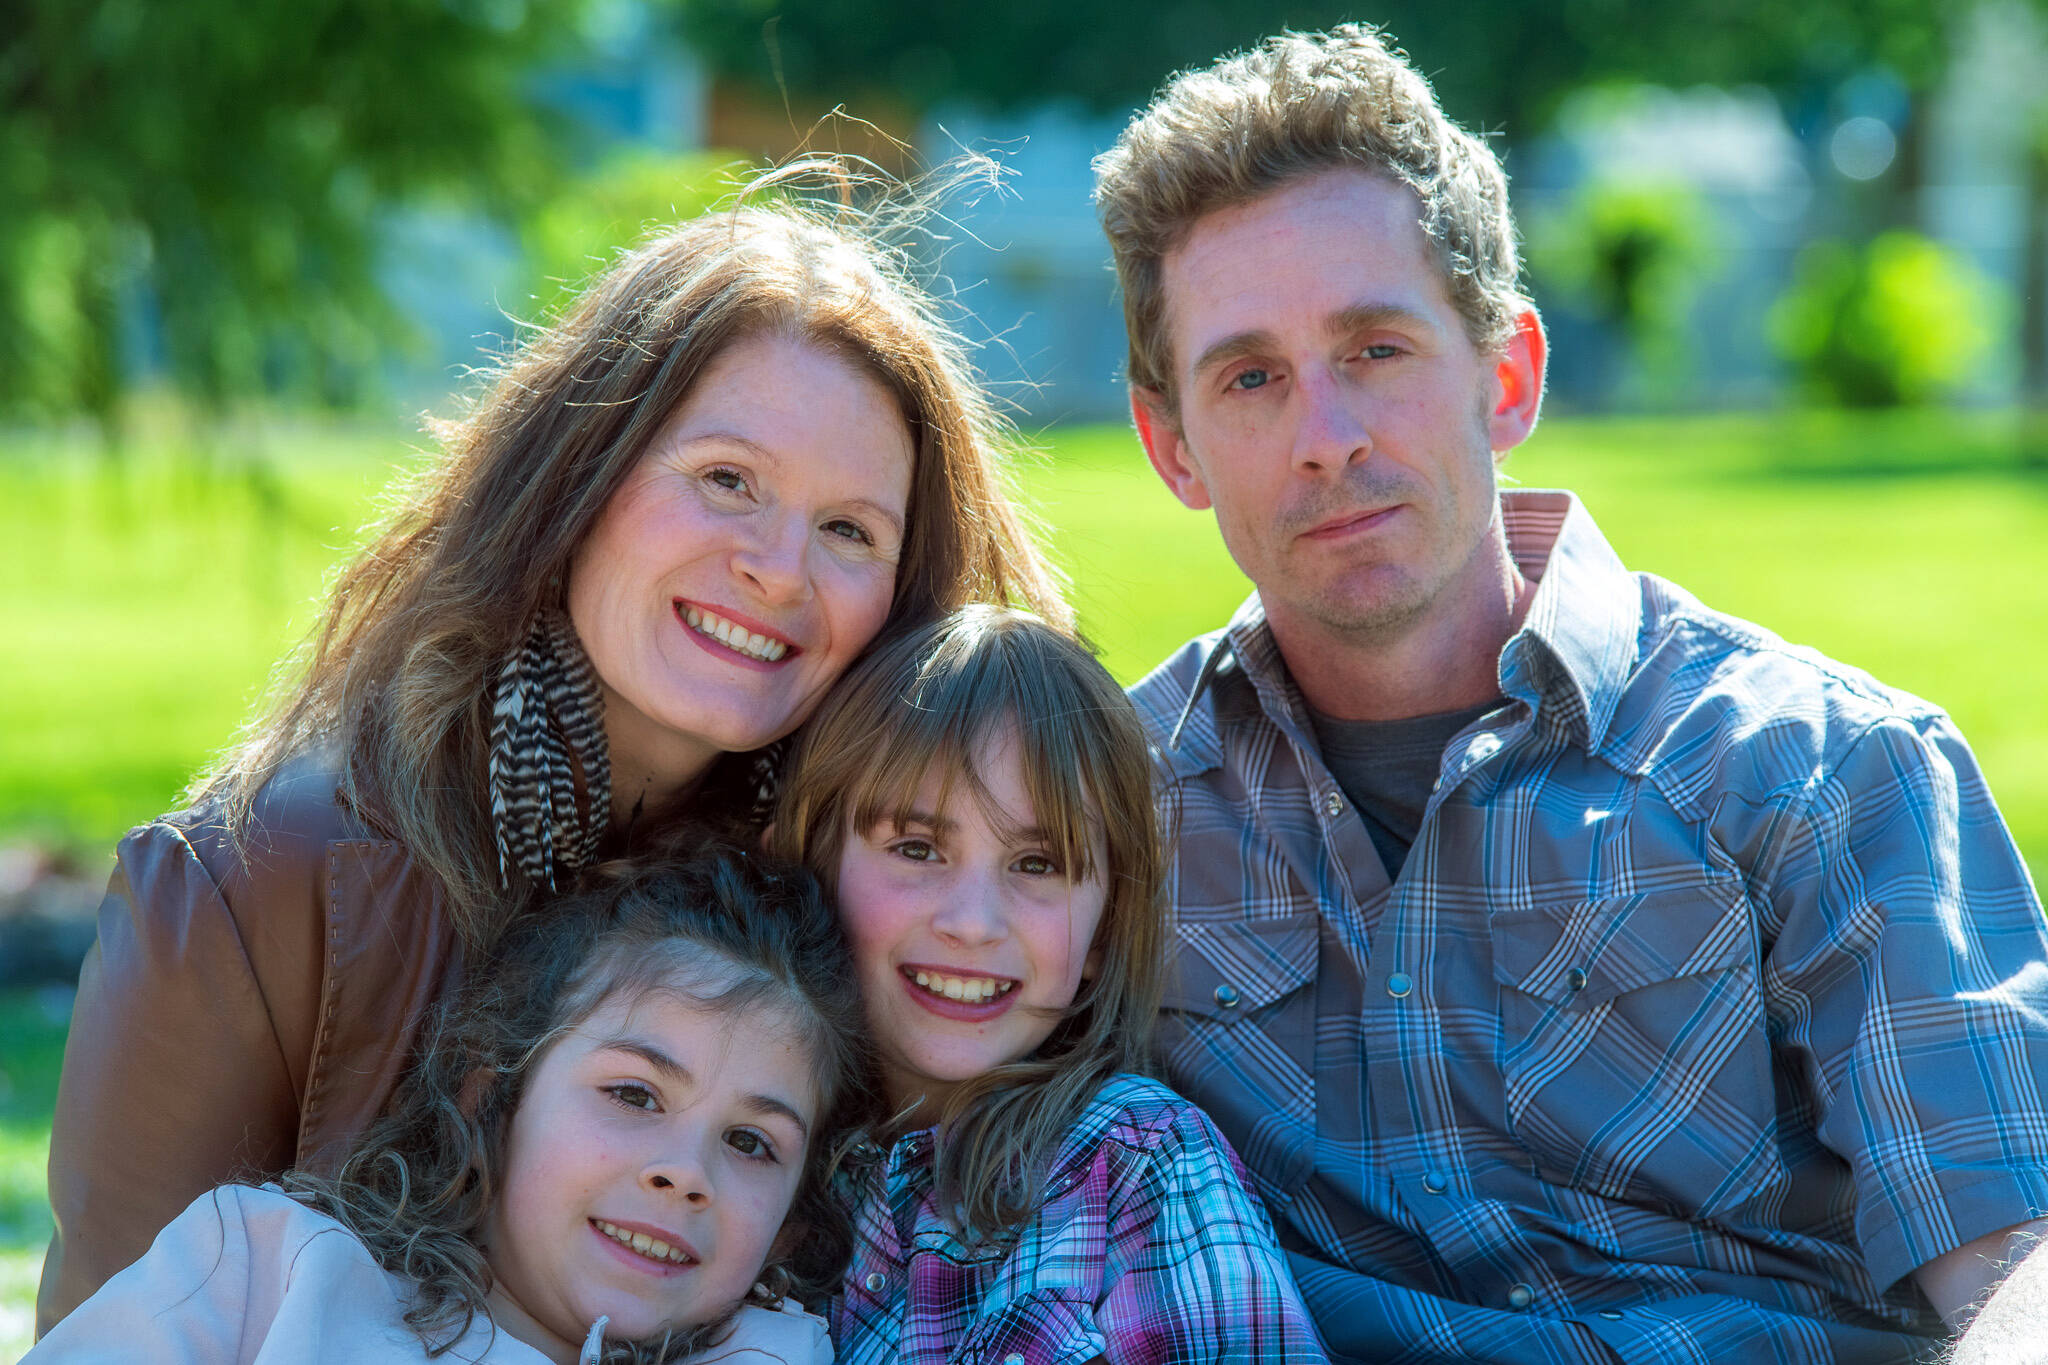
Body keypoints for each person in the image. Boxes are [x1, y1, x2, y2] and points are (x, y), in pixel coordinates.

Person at [1090, 25, 2048, 1365]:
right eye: (1251, 379)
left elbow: (2017, 1263)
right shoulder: (1108, 814)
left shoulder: (1821, 769)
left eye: (1376, 348)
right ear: (1172, 446)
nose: (1329, 438)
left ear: (1509, 375)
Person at [38, 175, 1071, 1335]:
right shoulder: (253, 887)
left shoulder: (877, 897)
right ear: (579, 476)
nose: (780, 570)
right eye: (726, 480)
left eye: (848, 531)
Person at [30, 843, 865, 1363]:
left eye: (753, 1142)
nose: (686, 1173)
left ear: (790, 1224)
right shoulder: (266, 1271)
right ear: (491, 1091)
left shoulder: (778, 1353)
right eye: (634, 1092)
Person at [769, 605, 1327, 1363]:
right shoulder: (751, 1148)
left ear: (1102, 932)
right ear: (814, 862)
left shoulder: (1135, 1162)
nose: (973, 922)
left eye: (1038, 864)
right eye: (917, 847)